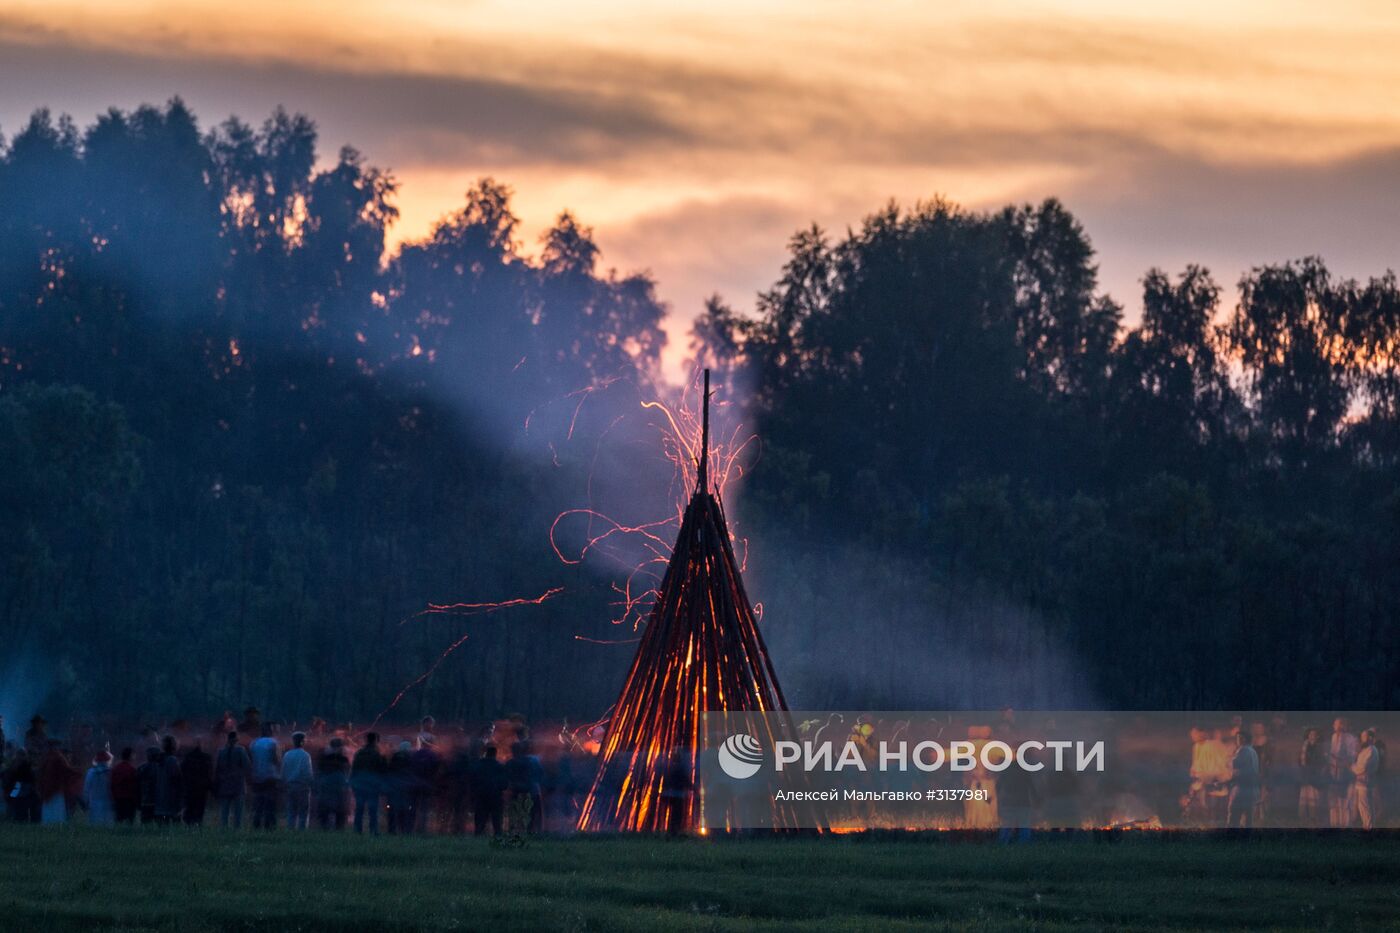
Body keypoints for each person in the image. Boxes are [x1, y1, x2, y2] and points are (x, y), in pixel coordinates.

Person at [507, 732, 544, 834]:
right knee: (534, 813)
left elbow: (508, 776)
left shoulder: (511, 762)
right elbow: (541, 774)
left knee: (516, 812)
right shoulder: (534, 761)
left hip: (516, 790)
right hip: (532, 791)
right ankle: (534, 831)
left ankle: (515, 831)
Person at [214, 731, 251, 828]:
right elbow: (247, 766)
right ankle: (237, 830)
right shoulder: (241, 750)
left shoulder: (221, 751)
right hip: (237, 784)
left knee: (224, 811)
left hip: (224, 784)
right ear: (237, 740)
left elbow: (217, 768)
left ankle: (224, 829)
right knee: (238, 811)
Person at [1327, 717, 1359, 828]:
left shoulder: (1351, 739)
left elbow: (1353, 756)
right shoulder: (1333, 737)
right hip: (1333, 772)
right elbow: (1331, 753)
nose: (1337, 727)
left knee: (1345, 800)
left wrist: (1342, 762)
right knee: (1334, 799)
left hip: (1345, 772)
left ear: (1344, 726)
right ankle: (1334, 824)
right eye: (1336, 724)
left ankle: (1345, 824)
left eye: (1340, 724)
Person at [352, 732, 386, 835]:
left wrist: (353, 784)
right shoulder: (377, 754)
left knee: (359, 809)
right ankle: (373, 830)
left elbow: (354, 769)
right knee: (373, 809)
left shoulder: (359, 753)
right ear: (376, 741)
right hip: (372, 785)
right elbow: (382, 771)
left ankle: (357, 830)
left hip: (360, 784)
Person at [470, 744, 507, 836]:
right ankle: (497, 838)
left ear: (486, 753)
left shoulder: (478, 765)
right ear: (495, 754)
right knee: (497, 820)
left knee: (480, 819)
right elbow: (504, 783)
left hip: (481, 795)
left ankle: (478, 837)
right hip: (496, 796)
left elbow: (472, 780)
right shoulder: (500, 766)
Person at [249, 723, 281, 830]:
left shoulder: (254, 743)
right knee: (270, 805)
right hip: (271, 777)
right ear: (270, 731)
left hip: (257, 777)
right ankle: (270, 826)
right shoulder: (273, 743)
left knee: (258, 804)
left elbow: (251, 759)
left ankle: (256, 824)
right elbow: (277, 760)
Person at [1226, 730, 1260, 829]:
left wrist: (1228, 759)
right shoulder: (1253, 751)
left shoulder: (1243, 750)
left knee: (1233, 818)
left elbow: (1233, 766)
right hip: (1252, 791)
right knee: (1248, 821)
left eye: (1237, 738)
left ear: (1242, 739)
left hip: (1241, 791)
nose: (1236, 741)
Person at [38, 742, 79, 825]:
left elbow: (40, 775)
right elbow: (67, 770)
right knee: (56, 812)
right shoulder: (58, 758)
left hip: (47, 790)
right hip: (56, 789)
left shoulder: (46, 759)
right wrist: (78, 772)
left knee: (49, 811)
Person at [316, 737, 350, 830]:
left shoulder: (324, 758)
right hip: (339, 785)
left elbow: (319, 771)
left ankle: (325, 828)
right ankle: (339, 829)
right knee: (340, 809)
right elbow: (347, 772)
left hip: (326, 784)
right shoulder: (343, 759)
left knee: (325, 808)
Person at [410, 736, 443, 833]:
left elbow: (410, 768)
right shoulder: (433, 756)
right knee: (424, 808)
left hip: (415, 784)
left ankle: (410, 828)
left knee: (414, 807)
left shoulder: (415, 755)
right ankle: (422, 829)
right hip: (427, 784)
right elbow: (436, 770)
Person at [282, 731, 314, 830]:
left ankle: (290, 829)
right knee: (303, 812)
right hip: (302, 786)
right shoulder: (305, 755)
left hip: (290, 785)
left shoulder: (287, 755)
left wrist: (284, 783)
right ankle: (302, 831)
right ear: (302, 742)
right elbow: (307, 772)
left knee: (291, 811)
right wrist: (311, 783)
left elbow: (284, 771)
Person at [1352, 728, 1382, 830]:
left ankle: (1368, 828)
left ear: (1370, 738)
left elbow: (1362, 768)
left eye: (1363, 736)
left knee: (1365, 807)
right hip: (1364, 783)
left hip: (1365, 783)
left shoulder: (1371, 751)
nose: (1361, 738)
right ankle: (1369, 826)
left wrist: (1350, 766)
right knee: (1366, 806)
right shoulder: (1367, 750)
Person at [1298, 727, 1326, 827]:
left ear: (1317, 736)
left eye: (1314, 734)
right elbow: (1301, 761)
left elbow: (1322, 762)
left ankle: (1314, 819)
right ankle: (1304, 819)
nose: (1312, 736)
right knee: (1304, 798)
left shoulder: (1319, 747)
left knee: (1314, 798)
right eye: (1310, 734)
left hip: (1315, 777)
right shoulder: (1305, 746)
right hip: (1306, 776)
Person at [4, 748, 40, 823]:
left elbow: (30, 777)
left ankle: (20, 818)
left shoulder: (24, 764)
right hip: (19, 786)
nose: (20, 756)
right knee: (14, 801)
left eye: (22, 754)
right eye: (20, 754)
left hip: (23, 786)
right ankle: (16, 817)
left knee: (19, 802)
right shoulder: (18, 764)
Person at [387, 740, 415, 834]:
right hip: (406, 786)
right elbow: (412, 771)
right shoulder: (410, 757)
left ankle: (392, 829)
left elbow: (389, 769)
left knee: (393, 808)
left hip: (394, 785)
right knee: (405, 808)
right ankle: (404, 829)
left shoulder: (395, 756)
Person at [182, 739, 213, 825]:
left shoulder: (188, 757)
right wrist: (211, 786)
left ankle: (189, 825)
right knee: (200, 809)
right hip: (202, 788)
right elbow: (209, 773)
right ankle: (198, 824)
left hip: (190, 788)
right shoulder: (207, 757)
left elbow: (183, 771)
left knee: (190, 808)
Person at [154, 735, 184, 824]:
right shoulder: (172, 760)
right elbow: (176, 779)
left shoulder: (159, 760)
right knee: (175, 826)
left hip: (160, 800)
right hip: (171, 799)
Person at [84, 749, 115, 826]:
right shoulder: (111, 772)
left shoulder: (91, 772)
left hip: (94, 803)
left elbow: (86, 789)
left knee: (95, 825)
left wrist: (85, 801)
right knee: (108, 825)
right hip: (108, 802)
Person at [111, 747, 139, 824]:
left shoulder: (116, 768)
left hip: (118, 798)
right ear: (130, 756)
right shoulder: (132, 769)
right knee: (130, 820)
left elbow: (112, 783)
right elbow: (135, 785)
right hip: (130, 798)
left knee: (118, 819)